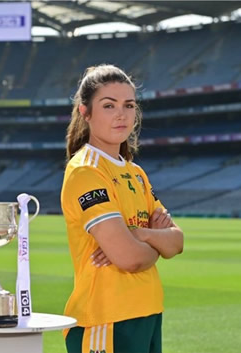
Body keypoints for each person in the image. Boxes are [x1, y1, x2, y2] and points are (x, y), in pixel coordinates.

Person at [61, 64, 184, 353]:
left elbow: (177, 241)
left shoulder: (137, 173)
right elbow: (128, 258)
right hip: (107, 318)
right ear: (85, 112)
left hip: (148, 311)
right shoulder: (85, 172)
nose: (121, 114)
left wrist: (138, 234)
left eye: (129, 105)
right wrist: (154, 237)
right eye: (108, 105)